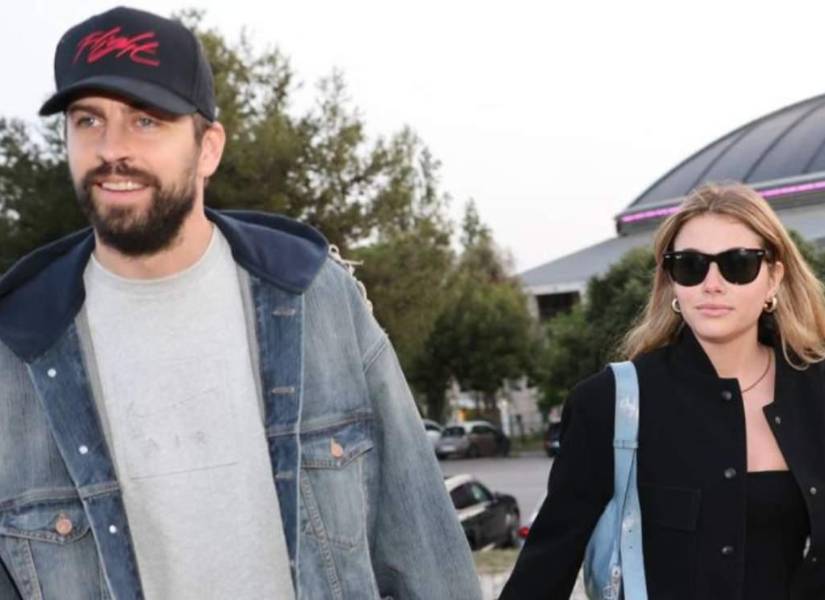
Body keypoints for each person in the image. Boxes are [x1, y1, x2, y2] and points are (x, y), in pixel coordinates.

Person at [0, 7, 480, 600]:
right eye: (88, 120)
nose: (112, 148)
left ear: (208, 148)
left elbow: (426, 553)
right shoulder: (18, 347)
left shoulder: (314, 299)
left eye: (146, 120)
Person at [501, 183, 825, 599]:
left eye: (738, 264)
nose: (712, 284)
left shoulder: (816, 392)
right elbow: (544, 571)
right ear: (672, 282)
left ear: (773, 278)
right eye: (690, 266)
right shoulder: (611, 403)